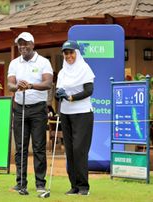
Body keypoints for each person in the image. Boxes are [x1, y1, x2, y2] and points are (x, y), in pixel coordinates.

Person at [7, 32, 53, 194]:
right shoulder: (14, 63)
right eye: (20, 44)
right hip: (20, 108)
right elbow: (10, 85)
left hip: (38, 109)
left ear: (33, 44)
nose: (22, 47)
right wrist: (18, 86)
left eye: (25, 43)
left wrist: (31, 86)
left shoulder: (43, 62)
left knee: (39, 147)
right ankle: (21, 183)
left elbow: (48, 83)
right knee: (20, 147)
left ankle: (40, 183)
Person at [56, 40, 95, 196]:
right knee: (70, 151)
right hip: (66, 114)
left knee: (79, 149)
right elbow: (59, 91)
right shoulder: (62, 72)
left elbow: (89, 90)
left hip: (83, 113)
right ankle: (74, 185)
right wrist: (59, 94)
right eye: (66, 53)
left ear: (77, 53)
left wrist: (71, 97)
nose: (69, 56)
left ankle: (84, 186)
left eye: (71, 52)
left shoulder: (85, 68)